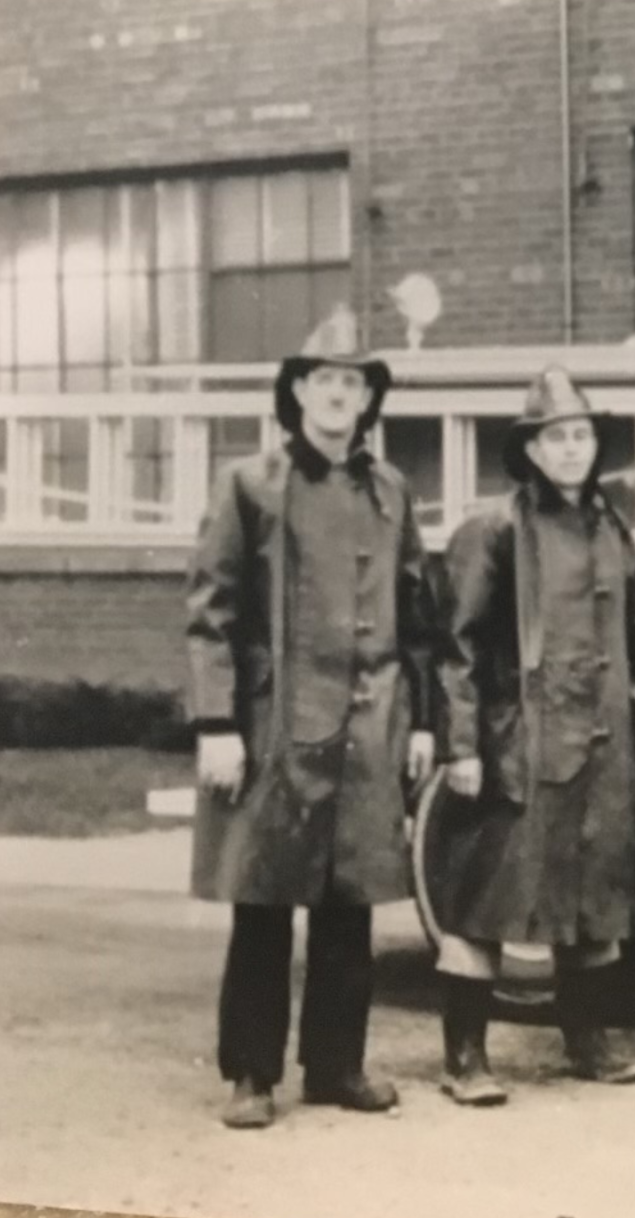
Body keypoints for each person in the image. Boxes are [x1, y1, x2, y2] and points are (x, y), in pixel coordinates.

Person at [187, 307, 439, 1129]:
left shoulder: (391, 489)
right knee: (263, 900)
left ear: (370, 398)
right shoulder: (248, 483)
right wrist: (216, 724)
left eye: (353, 381)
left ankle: (336, 1065)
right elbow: (211, 613)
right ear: (296, 391)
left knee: (350, 902)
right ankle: (251, 1073)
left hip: (370, 729)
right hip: (272, 728)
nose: (338, 394)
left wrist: (424, 719)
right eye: (324, 379)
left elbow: (418, 612)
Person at [431, 367, 635, 1104]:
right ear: (531, 450)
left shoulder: (612, 528)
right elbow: (459, 647)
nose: (572, 449)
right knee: (488, 902)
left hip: (602, 746)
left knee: (594, 898)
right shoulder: (495, 531)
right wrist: (464, 745)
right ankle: (466, 1058)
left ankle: (587, 1042)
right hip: (521, 745)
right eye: (556, 437)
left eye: (582, 434)